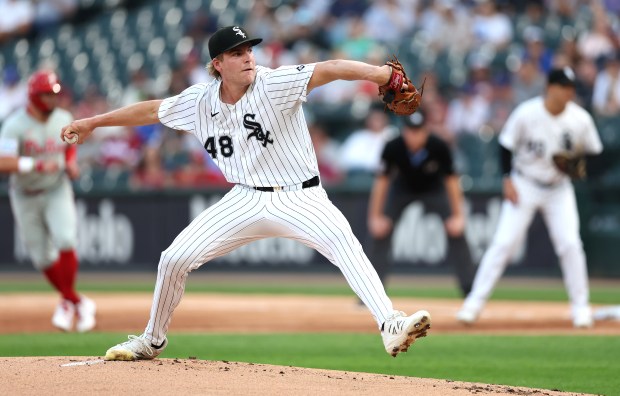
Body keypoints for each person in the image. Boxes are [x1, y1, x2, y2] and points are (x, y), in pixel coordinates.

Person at [60, 25, 431, 360]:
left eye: (250, 50)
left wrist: (380, 74)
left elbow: (329, 68)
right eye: (237, 53)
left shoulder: (273, 83)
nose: (248, 57)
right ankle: (151, 340)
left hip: (300, 196)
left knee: (344, 243)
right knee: (173, 258)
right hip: (245, 197)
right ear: (217, 64)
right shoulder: (200, 102)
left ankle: (390, 323)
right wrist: (94, 122)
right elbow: (152, 110)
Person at [456, 67, 603, 328]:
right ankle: (473, 303)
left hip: (559, 189)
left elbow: (594, 154)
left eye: (571, 87)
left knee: (570, 245)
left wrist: (580, 168)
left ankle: (581, 308)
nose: (569, 91)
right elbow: (505, 145)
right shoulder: (527, 112)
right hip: (525, 184)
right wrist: (507, 180)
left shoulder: (580, 119)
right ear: (550, 87)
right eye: (563, 86)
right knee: (504, 243)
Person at [0, 70, 96, 332]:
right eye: (46, 95)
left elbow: (70, 144)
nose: (52, 100)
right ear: (34, 96)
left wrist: (71, 162)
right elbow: (3, 162)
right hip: (24, 194)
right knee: (42, 258)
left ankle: (67, 302)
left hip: (56, 189)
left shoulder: (63, 118)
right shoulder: (14, 124)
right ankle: (76, 301)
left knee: (66, 239)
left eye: (54, 94)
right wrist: (35, 164)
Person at [366, 110, 476, 297]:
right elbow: (381, 182)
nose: (413, 136)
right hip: (402, 189)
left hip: (434, 189)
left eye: (418, 131)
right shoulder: (393, 146)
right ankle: (372, 292)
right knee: (381, 231)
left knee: (456, 231)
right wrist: (375, 216)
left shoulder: (439, 146)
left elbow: (451, 181)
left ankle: (470, 291)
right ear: (404, 131)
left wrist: (458, 216)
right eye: (410, 131)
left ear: (426, 131)